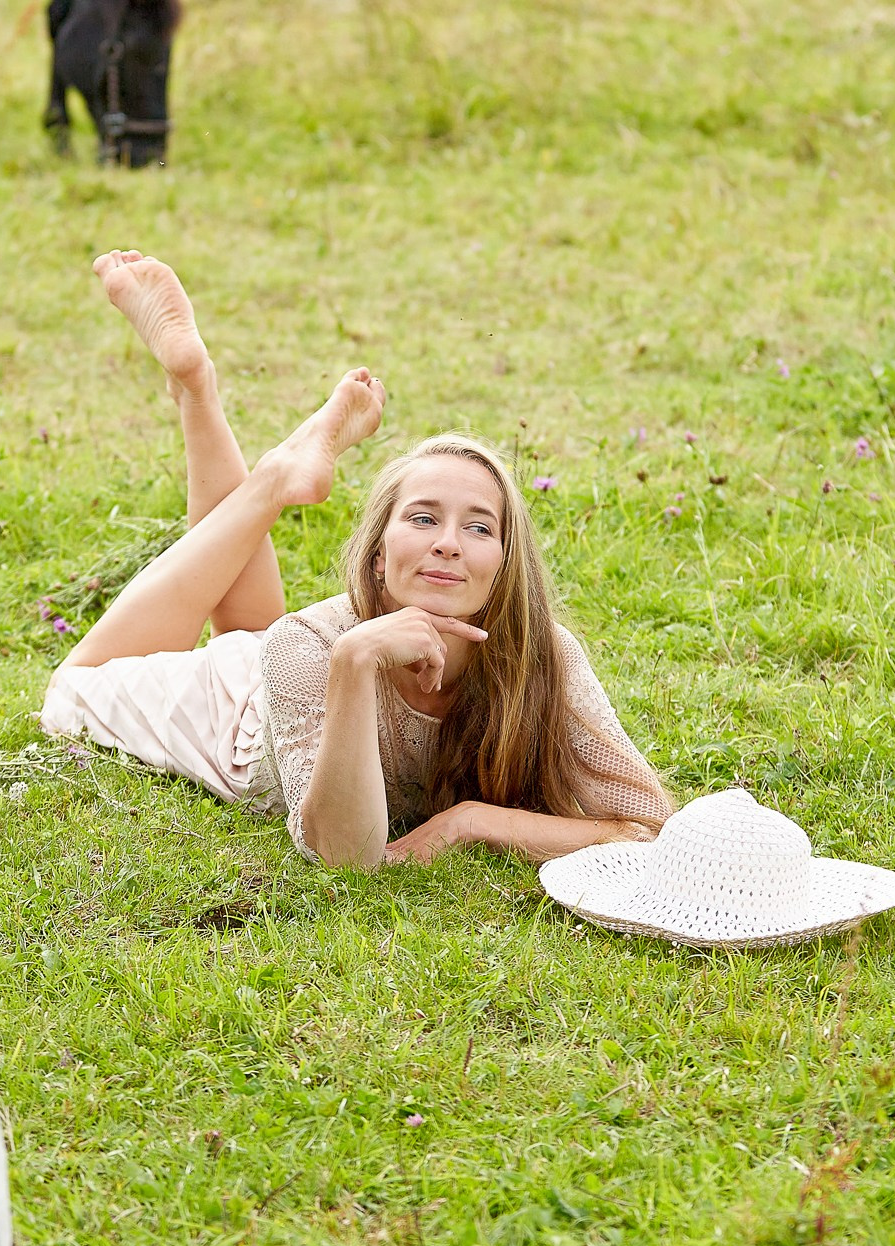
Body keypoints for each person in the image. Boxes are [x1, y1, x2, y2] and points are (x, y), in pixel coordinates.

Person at [42, 251, 673, 868]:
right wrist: (353, 661)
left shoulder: (543, 654)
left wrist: (469, 821)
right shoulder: (314, 646)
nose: (448, 541)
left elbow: (647, 825)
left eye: (478, 527)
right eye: (423, 519)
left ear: (507, 566)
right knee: (70, 691)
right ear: (376, 559)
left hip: (273, 654)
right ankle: (270, 479)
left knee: (250, 631)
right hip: (229, 711)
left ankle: (195, 387)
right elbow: (346, 856)